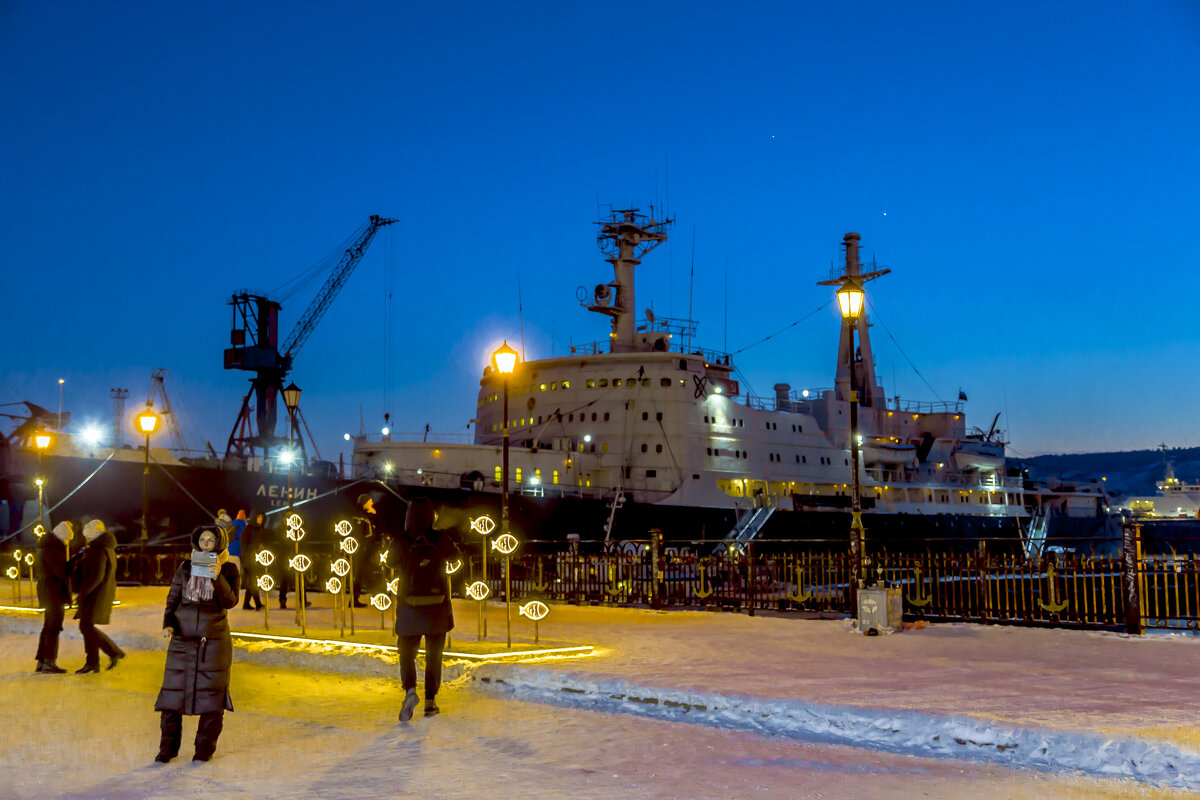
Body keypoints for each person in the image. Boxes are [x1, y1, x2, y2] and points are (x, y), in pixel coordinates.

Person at [154, 526, 241, 763]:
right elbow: (173, 598)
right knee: (171, 698)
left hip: (213, 643)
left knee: (211, 700)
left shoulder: (230, 569)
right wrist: (168, 622)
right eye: (202, 539)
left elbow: (231, 601)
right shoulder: (185, 567)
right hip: (182, 641)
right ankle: (167, 749)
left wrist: (218, 577)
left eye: (210, 539)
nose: (205, 543)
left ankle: (204, 751)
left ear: (219, 543)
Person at [393, 497, 459, 722]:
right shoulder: (440, 538)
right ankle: (431, 702)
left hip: (408, 607)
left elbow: (390, 562)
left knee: (407, 654)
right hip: (437, 607)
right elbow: (456, 557)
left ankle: (410, 690)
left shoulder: (402, 539)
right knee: (434, 656)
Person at [72, 519, 124, 673]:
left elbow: (96, 576)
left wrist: (83, 593)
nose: (86, 536)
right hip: (98, 593)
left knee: (86, 626)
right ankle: (93, 662)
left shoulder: (98, 549)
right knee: (87, 626)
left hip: (95, 594)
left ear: (94, 533)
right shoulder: (104, 547)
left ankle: (112, 652)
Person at [34, 521, 74, 674]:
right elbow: (60, 572)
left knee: (48, 626)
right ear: (62, 537)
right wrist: (73, 562)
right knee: (53, 627)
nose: (66, 543)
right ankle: (49, 662)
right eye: (67, 540)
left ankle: (42, 660)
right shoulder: (54, 549)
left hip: (47, 592)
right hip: (54, 593)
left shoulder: (46, 546)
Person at [241, 510, 265, 610]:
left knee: (252, 582)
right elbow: (244, 544)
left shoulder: (260, 529)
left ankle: (246, 604)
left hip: (258, 559)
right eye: (258, 517)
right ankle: (258, 603)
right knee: (254, 582)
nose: (260, 519)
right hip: (250, 559)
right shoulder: (248, 529)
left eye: (261, 518)